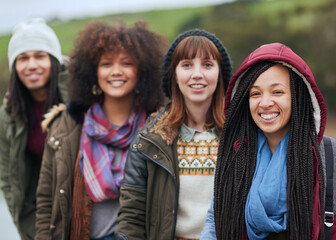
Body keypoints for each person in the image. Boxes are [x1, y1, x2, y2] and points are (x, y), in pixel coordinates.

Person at [34, 20, 167, 240]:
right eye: (106, 64)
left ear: (142, 71)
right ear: (92, 72)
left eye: (126, 63)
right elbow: (46, 201)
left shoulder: (160, 127)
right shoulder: (66, 127)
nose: (116, 71)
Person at [201, 43, 336, 239]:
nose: (265, 103)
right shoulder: (234, 157)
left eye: (277, 92)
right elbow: (215, 221)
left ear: (297, 97)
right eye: (255, 94)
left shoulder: (328, 156)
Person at [116, 29, 232, 240]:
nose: (197, 74)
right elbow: (131, 217)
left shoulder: (240, 137)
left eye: (207, 64)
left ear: (220, 75)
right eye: (186, 65)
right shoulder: (149, 140)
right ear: (174, 76)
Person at [0, 18, 66, 240]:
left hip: (89, 217)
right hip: (42, 220)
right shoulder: (8, 115)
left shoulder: (79, 98)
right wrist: (30, 230)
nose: (31, 65)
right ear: (15, 66)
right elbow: (9, 180)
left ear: (54, 60)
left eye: (40, 56)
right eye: (22, 58)